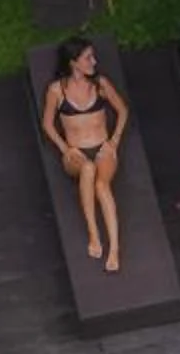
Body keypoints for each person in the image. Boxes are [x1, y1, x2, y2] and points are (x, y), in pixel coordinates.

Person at [40, 36, 128, 272]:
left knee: (102, 185)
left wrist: (114, 142)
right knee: (87, 170)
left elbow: (122, 111)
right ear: (73, 62)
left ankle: (114, 249)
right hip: (77, 153)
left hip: (102, 147)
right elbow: (47, 124)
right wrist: (65, 149)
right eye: (88, 57)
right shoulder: (56, 91)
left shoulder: (100, 84)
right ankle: (94, 233)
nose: (94, 61)